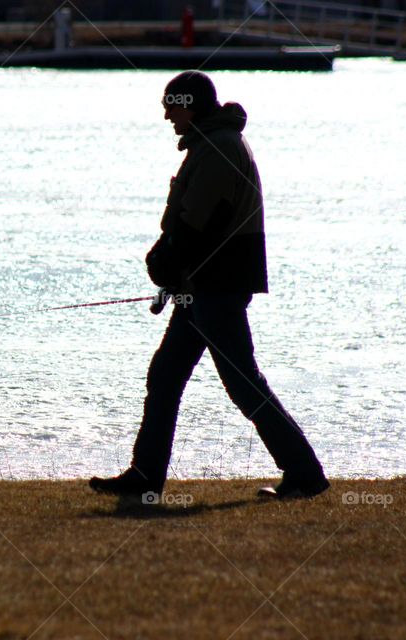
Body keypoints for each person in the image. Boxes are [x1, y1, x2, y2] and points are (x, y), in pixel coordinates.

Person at [91, 71, 329, 500]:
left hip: (215, 289)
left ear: (192, 104)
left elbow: (194, 226)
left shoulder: (218, 148)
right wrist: (173, 272)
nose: (166, 115)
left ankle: (305, 474)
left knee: (242, 383)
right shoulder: (212, 143)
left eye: (172, 105)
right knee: (166, 376)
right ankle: (146, 478)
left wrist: (162, 263)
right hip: (201, 288)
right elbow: (194, 228)